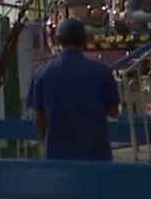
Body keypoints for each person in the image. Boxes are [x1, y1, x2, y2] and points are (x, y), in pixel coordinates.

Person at [27, 18, 120, 160]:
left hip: (58, 157)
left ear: (58, 40)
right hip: (97, 156)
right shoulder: (101, 72)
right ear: (83, 40)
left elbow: (38, 119)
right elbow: (114, 111)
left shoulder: (42, 73)